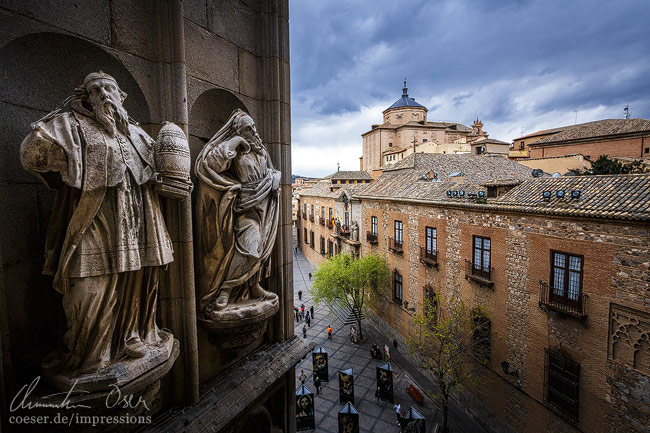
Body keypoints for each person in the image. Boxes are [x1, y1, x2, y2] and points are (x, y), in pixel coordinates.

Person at [20, 71, 175, 375]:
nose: (104, 94)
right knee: (88, 291)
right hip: (94, 225)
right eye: (96, 90)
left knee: (137, 282)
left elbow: (164, 170)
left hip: (137, 225)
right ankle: (86, 354)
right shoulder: (72, 126)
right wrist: (51, 149)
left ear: (121, 96)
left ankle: (132, 334)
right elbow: (32, 154)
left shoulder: (137, 134)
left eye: (110, 88)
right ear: (87, 98)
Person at [195, 109, 280, 314]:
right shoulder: (235, 148)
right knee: (249, 248)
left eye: (253, 127)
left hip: (265, 205)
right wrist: (235, 142)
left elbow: (271, 170)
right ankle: (225, 290)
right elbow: (210, 164)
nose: (253, 131)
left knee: (263, 250)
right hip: (246, 207)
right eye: (248, 128)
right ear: (238, 131)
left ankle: (253, 286)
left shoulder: (261, 151)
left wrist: (275, 178)